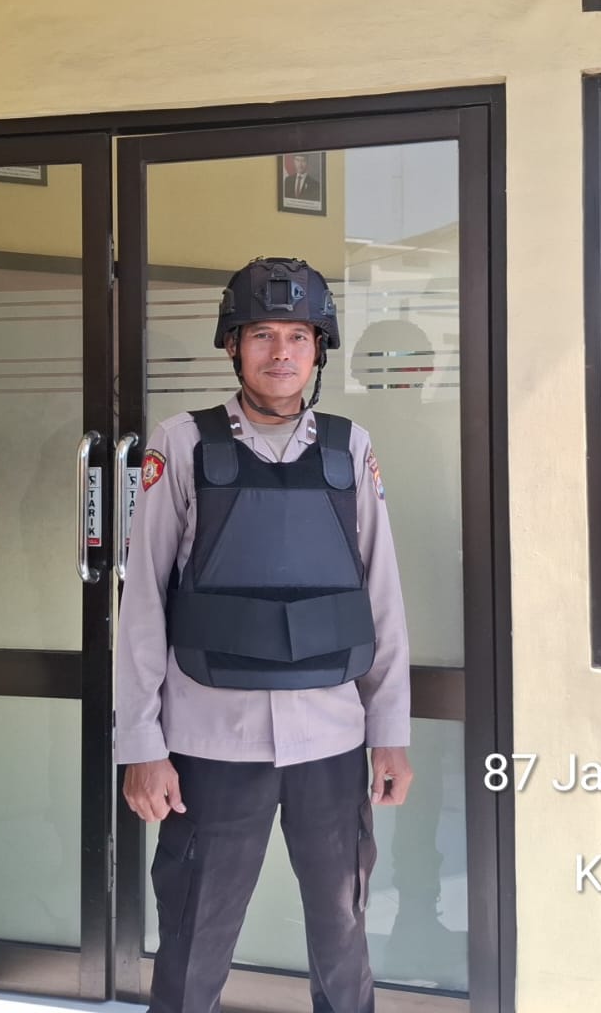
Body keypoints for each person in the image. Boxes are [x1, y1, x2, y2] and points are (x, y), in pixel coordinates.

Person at [116, 256, 412, 1013]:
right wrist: (142, 745)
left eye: (298, 336)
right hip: (210, 743)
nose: (281, 353)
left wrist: (389, 733)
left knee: (343, 939)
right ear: (232, 345)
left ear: (318, 350)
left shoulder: (349, 447)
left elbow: (380, 595)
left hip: (330, 741)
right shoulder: (182, 444)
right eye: (262, 335)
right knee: (193, 942)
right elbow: (142, 602)